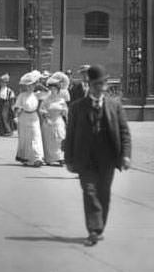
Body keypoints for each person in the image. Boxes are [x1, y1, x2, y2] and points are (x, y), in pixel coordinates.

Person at [63, 64, 132, 247]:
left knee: (104, 194)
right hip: (85, 159)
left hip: (108, 159)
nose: (100, 88)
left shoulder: (114, 106)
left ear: (106, 85)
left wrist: (126, 155)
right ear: (90, 85)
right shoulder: (77, 107)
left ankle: (99, 226)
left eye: (103, 84)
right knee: (90, 192)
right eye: (96, 85)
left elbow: (124, 132)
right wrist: (68, 159)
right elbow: (70, 134)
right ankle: (93, 229)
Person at [13, 71, 45, 166]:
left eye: (32, 85)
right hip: (24, 117)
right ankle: (26, 158)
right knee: (26, 138)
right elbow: (17, 107)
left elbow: (48, 92)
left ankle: (37, 157)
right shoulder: (22, 95)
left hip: (34, 117)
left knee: (35, 136)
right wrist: (16, 117)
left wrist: (40, 85)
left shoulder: (37, 94)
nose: (30, 87)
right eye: (28, 86)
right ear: (26, 86)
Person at [40, 72, 68, 166]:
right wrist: (45, 115)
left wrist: (64, 112)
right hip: (48, 121)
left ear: (58, 90)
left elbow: (65, 111)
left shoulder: (61, 100)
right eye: (51, 89)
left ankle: (60, 158)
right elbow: (41, 109)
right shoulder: (46, 99)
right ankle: (49, 158)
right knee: (49, 140)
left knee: (60, 138)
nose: (53, 91)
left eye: (55, 89)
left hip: (58, 120)